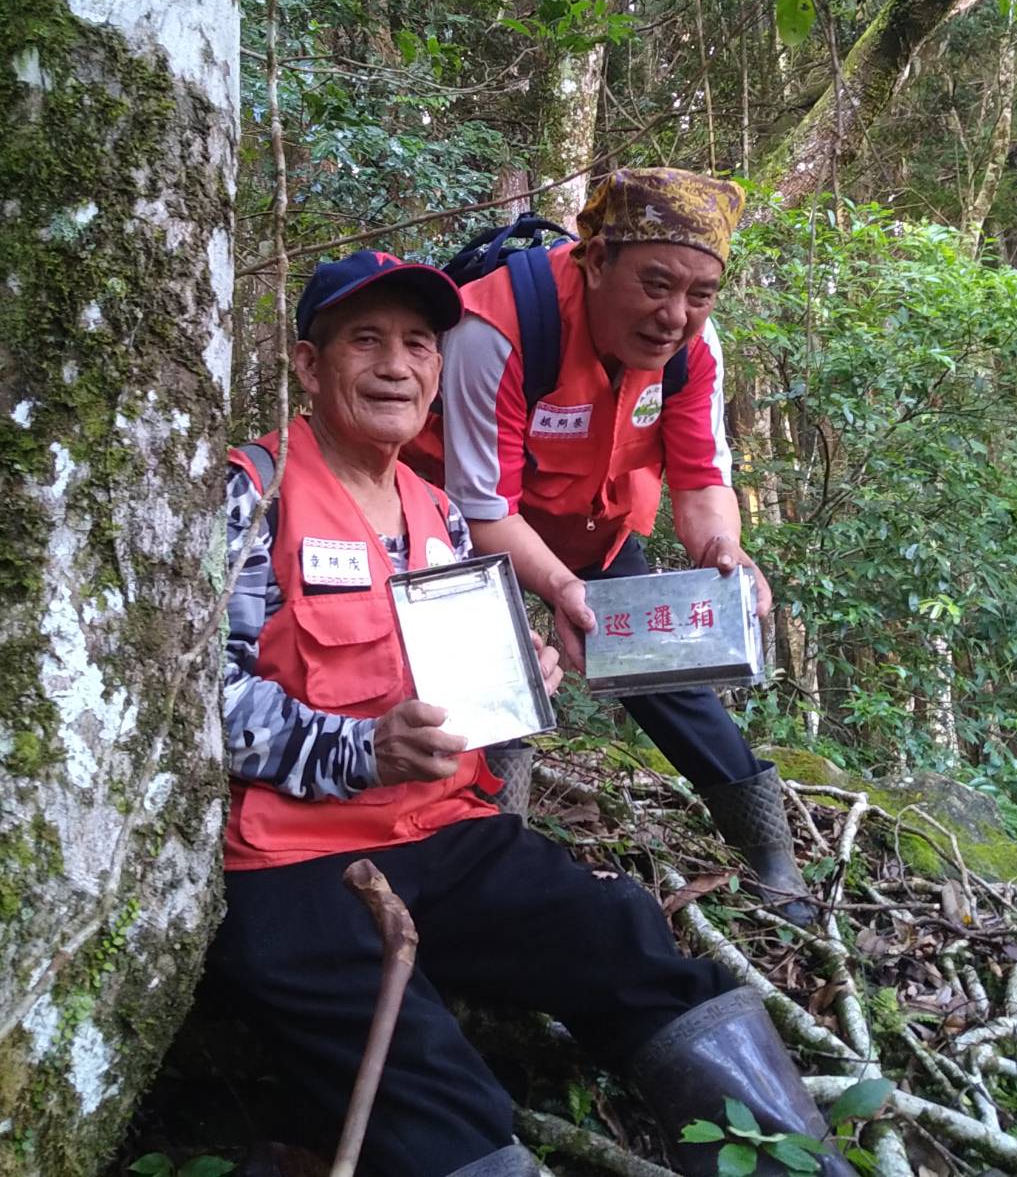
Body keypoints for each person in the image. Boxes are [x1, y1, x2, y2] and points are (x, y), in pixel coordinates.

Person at [210, 250, 851, 1177]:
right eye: (366, 340)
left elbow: (464, 688)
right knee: (418, 1077)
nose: (397, 364)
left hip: (442, 831)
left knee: (624, 937)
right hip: (296, 860)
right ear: (309, 365)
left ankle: (796, 1163)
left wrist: (521, 683)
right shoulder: (254, 495)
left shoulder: (441, 512)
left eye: (419, 344)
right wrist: (359, 750)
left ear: (438, 365)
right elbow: (215, 702)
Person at [417, 166, 814, 926]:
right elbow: (481, 507)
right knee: (496, 687)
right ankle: (496, 861)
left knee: (662, 668)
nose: (676, 316)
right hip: (464, 531)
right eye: (656, 284)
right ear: (595, 259)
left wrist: (722, 551)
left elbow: (702, 477)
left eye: (701, 295)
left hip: (594, 524)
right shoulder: (493, 328)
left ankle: (768, 848)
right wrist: (557, 591)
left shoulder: (695, 350)